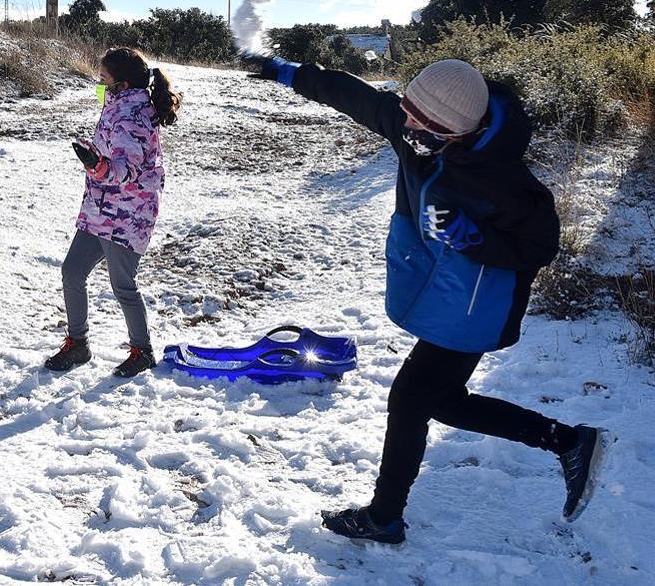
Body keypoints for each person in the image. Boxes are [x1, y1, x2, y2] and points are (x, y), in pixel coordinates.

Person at [246, 54, 609, 544]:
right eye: (408, 112)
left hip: (477, 305)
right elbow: (356, 98)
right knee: (440, 400)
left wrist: (473, 238)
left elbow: (539, 248)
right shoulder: (415, 132)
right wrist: (287, 72)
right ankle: (567, 440)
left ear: (458, 131)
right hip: (443, 293)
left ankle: (384, 517)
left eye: (422, 123)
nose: (408, 126)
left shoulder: (505, 182)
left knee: (412, 398)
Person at [45, 48, 181, 378]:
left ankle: (142, 351)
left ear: (122, 85)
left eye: (103, 80)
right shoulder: (116, 106)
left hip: (130, 212)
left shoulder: (133, 118)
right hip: (101, 206)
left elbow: (125, 170)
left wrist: (98, 165)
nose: (99, 85)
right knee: (72, 271)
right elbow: (110, 159)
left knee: (122, 284)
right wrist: (95, 158)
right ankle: (78, 344)